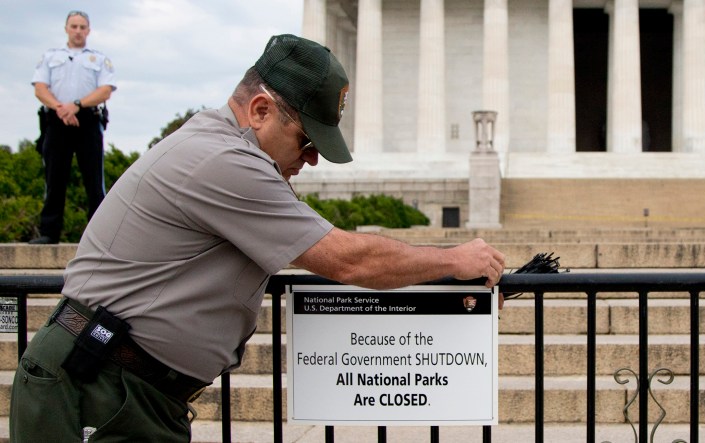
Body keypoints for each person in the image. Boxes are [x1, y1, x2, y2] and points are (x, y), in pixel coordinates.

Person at [10, 34, 505, 442]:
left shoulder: (218, 148)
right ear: (262, 110)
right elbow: (347, 260)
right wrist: (454, 259)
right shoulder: (225, 161)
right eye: (306, 140)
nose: (311, 159)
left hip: (122, 383)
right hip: (99, 384)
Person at [28, 10, 116, 244]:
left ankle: (99, 237)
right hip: (57, 121)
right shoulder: (50, 56)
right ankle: (49, 232)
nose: (78, 31)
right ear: (66, 28)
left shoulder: (98, 59)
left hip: (87, 120)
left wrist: (76, 106)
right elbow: (40, 88)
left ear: (88, 30)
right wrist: (61, 108)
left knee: (94, 180)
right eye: (74, 26)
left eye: (82, 27)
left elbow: (105, 89)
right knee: (54, 178)